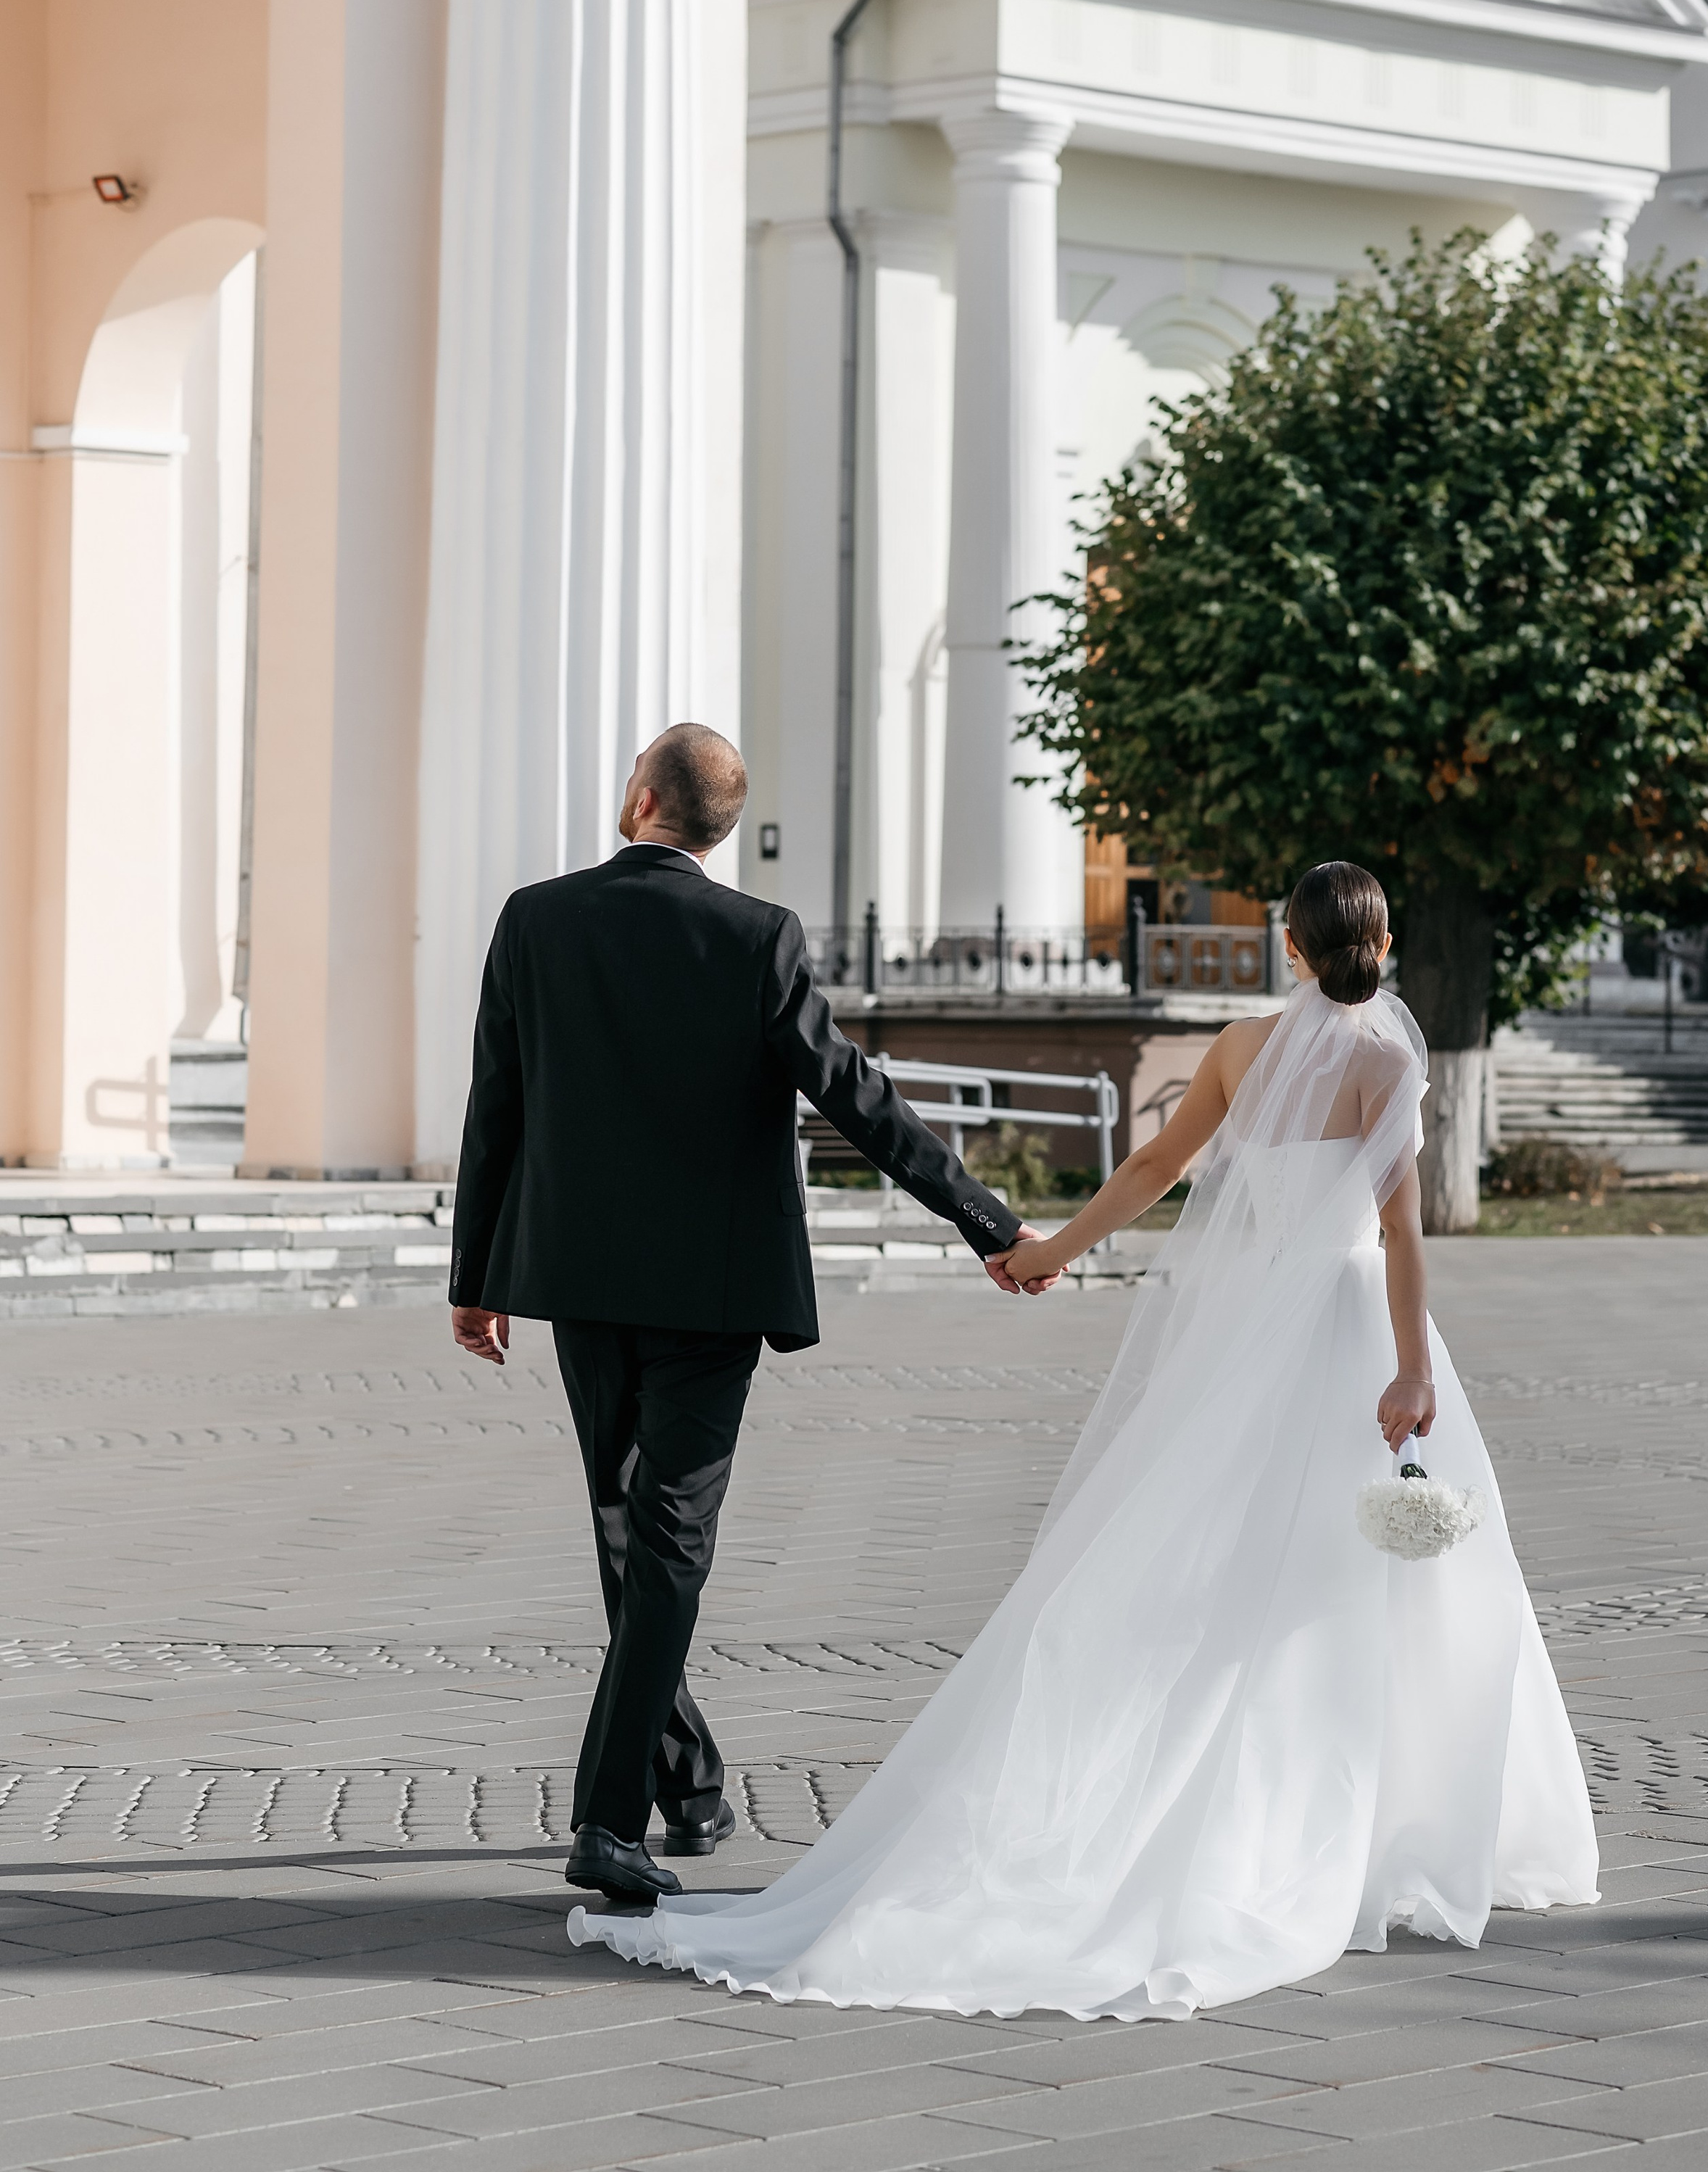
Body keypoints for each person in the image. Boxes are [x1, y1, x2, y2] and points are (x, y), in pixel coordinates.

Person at [571, 858, 1599, 2019]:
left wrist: (1050, 1249)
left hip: (1253, 1333)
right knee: (1370, 1583)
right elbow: (1402, 1230)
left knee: (1216, 1564)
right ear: (1384, 940)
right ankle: (1392, 1816)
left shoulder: (1239, 1047)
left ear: (1292, 948)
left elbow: (1160, 1169)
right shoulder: (1390, 1060)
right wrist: (1412, 1368)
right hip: (1355, 1327)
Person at [448, 723, 1037, 1915]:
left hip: (578, 1281)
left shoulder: (534, 920)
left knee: (630, 1531)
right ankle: (617, 1818)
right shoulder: (756, 937)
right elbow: (852, 1091)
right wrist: (982, 1217)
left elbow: (494, 1100)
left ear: (640, 797)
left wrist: (477, 1274)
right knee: (662, 1541)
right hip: (712, 1293)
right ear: (716, 827)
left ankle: (683, 1779)